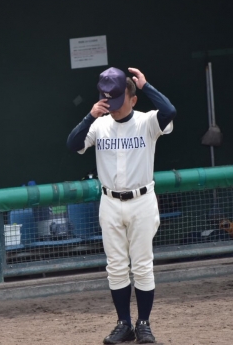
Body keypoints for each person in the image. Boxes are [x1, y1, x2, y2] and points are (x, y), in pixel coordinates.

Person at [67, 67, 176, 344]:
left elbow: (169, 111)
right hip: (110, 202)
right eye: (109, 100)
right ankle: (124, 324)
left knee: (142, 265)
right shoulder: (100, 124)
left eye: (118, 100)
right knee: (115, 266)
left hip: (142, 200)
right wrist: (90, 115)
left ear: (133, 99)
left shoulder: (146, 121)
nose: (113, 107)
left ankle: (143, 324)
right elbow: (73, 144)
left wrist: (146, 85)